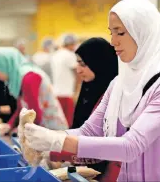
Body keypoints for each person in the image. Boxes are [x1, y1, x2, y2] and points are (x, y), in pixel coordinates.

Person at [23, 0, 160, 181]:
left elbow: (131, 146)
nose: (113, 42)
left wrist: (57, 141)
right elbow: (89, 132)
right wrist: (48, 138)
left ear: (143, 32)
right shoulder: (119, 84)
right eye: (111, 33)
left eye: (120, 33)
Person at [49, 37, 120, 181]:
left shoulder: (114, 95)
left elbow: (97, 139)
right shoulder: (88, 89)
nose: (78, 69)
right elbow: (79, 128)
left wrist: (60, 152)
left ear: (98, 63)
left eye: (83, 64)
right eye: (77, 63)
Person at [0, 47, 68, 131]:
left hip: (52, 131)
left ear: (5, 66)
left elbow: (34, 116)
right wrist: (9, 126)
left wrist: (19, 130)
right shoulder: (17, 78)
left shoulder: (29, 78)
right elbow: (21, 109)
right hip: (41, 130)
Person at [51, 34, 79, 127]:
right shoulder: (70, 55)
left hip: (56, 94)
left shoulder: (55, 55)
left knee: (59, 123)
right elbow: (78, 73)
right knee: (68, 124)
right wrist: (76, 91)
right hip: (67, 94)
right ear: (70, 44)